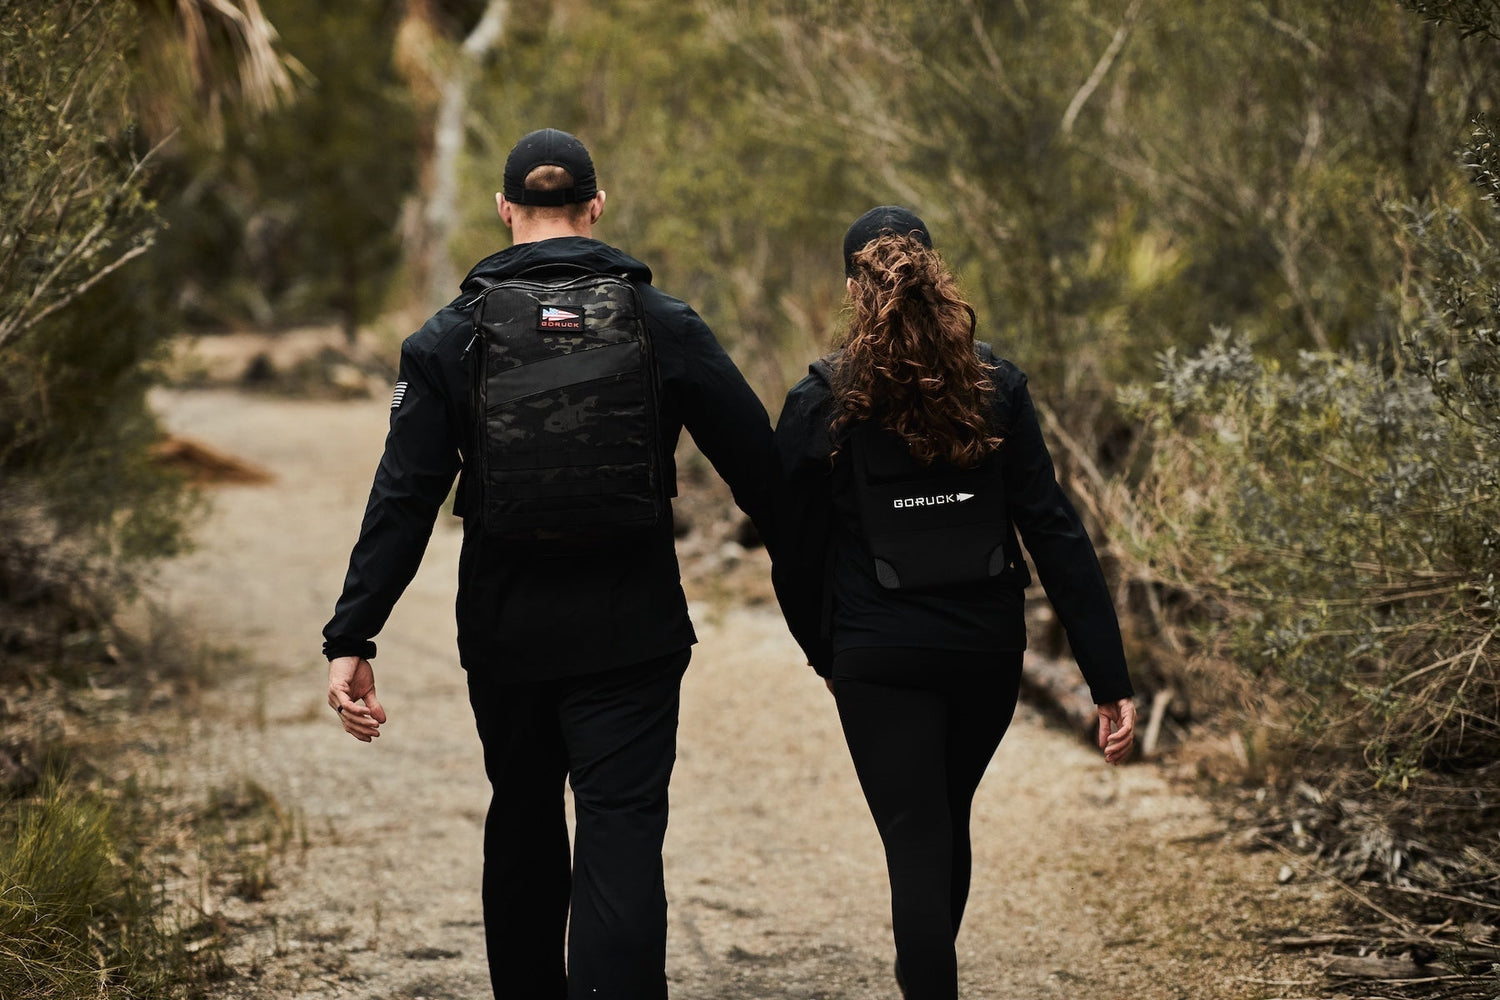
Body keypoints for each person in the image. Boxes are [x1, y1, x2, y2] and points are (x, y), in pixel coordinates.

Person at [321, 128, 778, 1000]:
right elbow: (764, 472)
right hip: (632, 634)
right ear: (596, 206)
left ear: (505, 210)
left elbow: (403, 499)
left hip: (508, 637)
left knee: (524, 819)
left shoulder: (448, 338)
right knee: (622, 830)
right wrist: (834, 604)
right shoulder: (661, 322)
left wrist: (355, 632)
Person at [771, 206, 1136, 1000]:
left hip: (878, 654)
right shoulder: (995, 385)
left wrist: (824, 651)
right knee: (943, 818)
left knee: (915, 835)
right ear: (936, 277)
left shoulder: (822, 398)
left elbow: (791, 550)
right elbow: (1056, 533)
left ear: (850, 288)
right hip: (985, 652)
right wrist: (1108, 678)